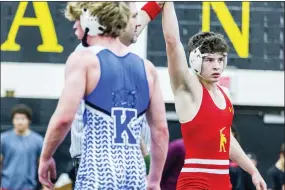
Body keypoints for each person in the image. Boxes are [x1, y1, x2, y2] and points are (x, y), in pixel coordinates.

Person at [38, 2, 169, 190]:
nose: (75, 26)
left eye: (78, 19)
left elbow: (63, 119)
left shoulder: (84, 59)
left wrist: (46, 156)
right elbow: (161, 131)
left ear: (90, 21)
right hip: (135, 174)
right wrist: (155, 181)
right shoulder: (147, 68)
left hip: (97, 173)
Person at [161, 2, 267, 190]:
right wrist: (167, 3)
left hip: (222, 182)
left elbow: (225, 139)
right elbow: (172, 43)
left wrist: (252, 171)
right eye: (209, 60)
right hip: (195, 183)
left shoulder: (225, 95)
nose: (217, 66)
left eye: (220, 59)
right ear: (195, 59)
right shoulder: (188, 88)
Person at [1, 104, 43, 190]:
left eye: (23, 119)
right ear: (13, 120)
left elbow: (43, 165)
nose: (19, 122)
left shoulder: (38, 140)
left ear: (29, 120)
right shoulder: (3, 139)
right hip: (7, 186)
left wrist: (45, 185)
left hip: (28, 187)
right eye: (17, 119)